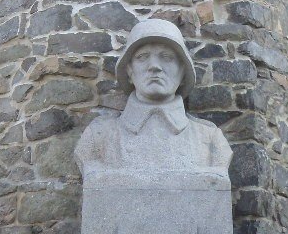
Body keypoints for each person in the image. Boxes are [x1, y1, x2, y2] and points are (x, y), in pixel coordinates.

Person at [74, 18, 232, 177]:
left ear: (183, 72)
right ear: (129, 71)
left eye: (167, 57)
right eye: (142, 57)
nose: (154, 66)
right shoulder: (98, 137)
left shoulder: (210, 139)